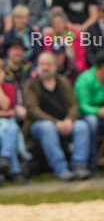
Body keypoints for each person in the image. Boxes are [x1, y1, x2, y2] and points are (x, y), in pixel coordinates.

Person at [23, 51, 92, 181]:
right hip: (38, 125)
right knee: (47, 127)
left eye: (48, 64)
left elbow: (73, 104)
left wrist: (69, 120)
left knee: (82, 126)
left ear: (55, 66)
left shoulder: (63, 82)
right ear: (37, 66)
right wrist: (56, 122)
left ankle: (79, 165)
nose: (45, 67)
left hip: (64, 122)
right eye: (42, 64)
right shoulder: (31, 85)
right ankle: (61, 169)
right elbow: (33, 111)